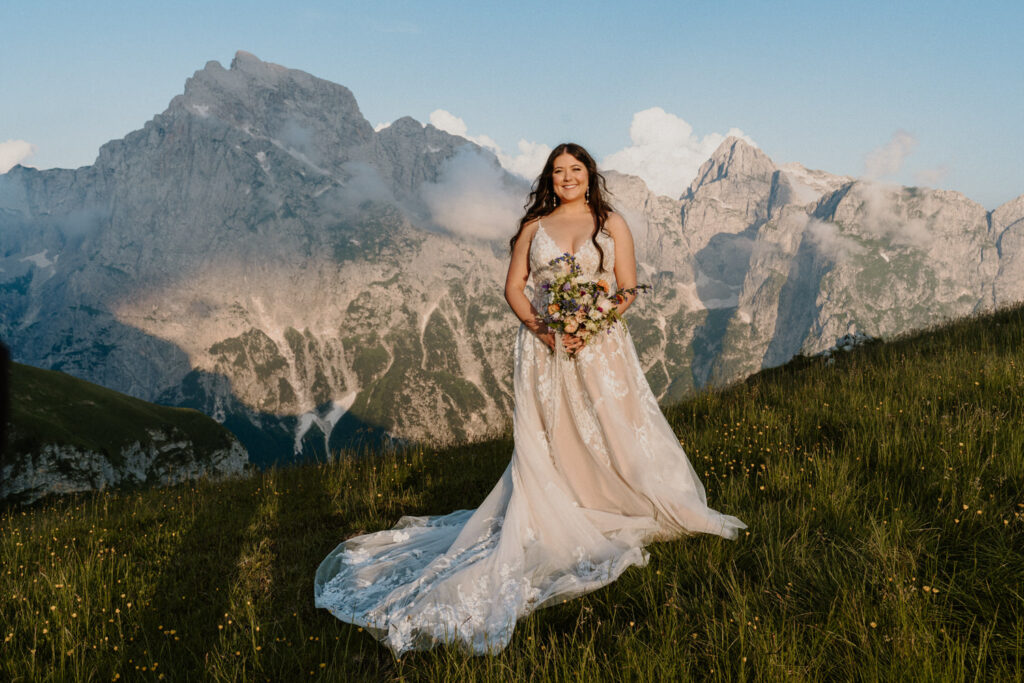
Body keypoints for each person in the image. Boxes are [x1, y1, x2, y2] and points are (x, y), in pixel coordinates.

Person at [314, 143, 746, 656]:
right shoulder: (533, 228)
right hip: (543, 347)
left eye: (576, 169)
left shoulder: (612, 224)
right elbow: (514, 287)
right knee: (553, 428)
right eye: (559, 171)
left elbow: (627, 287)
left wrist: (593, 321)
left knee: (610, 420)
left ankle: (619, 493)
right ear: (550, 178)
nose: (567, 177)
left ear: (590, 175)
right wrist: (543, 330)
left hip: (600, 346)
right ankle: (561, 500)